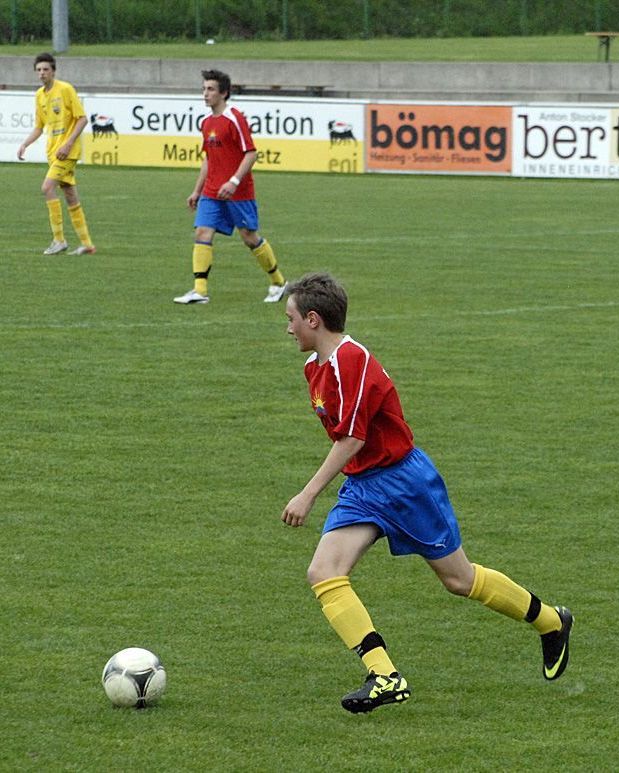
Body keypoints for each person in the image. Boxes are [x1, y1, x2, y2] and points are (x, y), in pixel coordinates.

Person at [280, 273, 573, 713]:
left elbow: (353, 437)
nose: (288, 328)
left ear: (313, 319)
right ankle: (384, 676)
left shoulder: (351, 360)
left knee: (459, 580)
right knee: (323, 572)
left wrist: (307, 494)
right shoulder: (315, 367)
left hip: (404, 484)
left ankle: (551, 621)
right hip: (363, 487)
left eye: (291, 319)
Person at [173, 69, 287, 305]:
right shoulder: (206, 122)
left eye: (211, 89)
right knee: (202, 233)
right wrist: (197, 190)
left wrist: (234, 181)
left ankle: (278, 282)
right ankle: (200, 291)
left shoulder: (235, 118)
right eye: (204, 89)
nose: (205, 94)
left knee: (249, 237)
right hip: (212, 191)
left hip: (238, 192)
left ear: (224, 93)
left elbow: (251, 153)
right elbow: (208, 159)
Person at [16, 53, 96, 256]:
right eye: (39, 70)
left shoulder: (66, 89)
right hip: (53, 152)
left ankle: (59, 240)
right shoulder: (39, 95)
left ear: (53, 71)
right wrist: (25, 144)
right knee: (70, 194)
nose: (42, 73)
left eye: (46, 69)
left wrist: (68, 144)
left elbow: (82, 119)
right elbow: (39, 127)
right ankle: (87, 244)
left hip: (67, 152)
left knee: (47, 187)